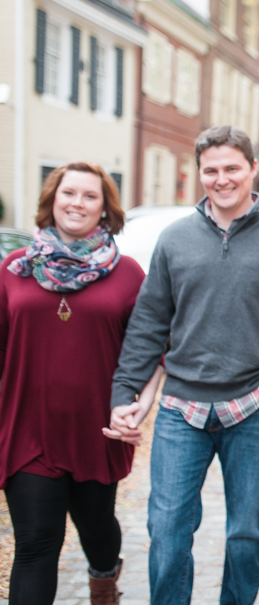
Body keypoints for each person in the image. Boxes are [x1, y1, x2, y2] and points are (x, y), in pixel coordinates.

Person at [107, 125, 259, 605]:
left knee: (245, 532)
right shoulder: (175, 239)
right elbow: (149, 324)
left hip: (255, 409)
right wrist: (124, 394)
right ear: (199, 173)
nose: (222, 179)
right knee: (167, 530)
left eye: (232, 168)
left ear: (252, 170)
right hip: (182, 408)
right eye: (211, 170)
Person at [0, 162, 154, 604]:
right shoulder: (15, 268)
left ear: (105, 209)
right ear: (52, 200)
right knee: (36, 544)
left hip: (97, 430)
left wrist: (138, 409)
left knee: (98, 530)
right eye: (69, 193)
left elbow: (147, 354)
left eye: (90, 196)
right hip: (28, 431)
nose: (77, 203)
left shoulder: (127, 274)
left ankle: (104, 582)